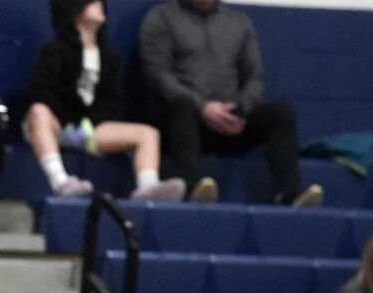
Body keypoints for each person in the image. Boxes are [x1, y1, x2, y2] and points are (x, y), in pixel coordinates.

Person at [137, 0, 322, 207]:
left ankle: (288, 193)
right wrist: (203, 108)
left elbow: (255, 76)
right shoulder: (161, 17)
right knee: (181, 106)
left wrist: (240, 109)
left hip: (230, 121)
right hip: (182, 123)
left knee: (281, 113)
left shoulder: (239, 22)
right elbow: (157, 74)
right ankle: (193, 187)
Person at [26, 0, 185, 202]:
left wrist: (89, 124)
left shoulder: (109, 54)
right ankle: (60, 181)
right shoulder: (55, 49)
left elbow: (112, 100)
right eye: (92, 2)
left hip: (89, 128)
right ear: (75, 10)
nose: (100, 5)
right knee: (38, 111)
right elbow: (40, 92)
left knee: (148, 134)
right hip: (57, 123)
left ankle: (148, 187)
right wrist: (68, 121)